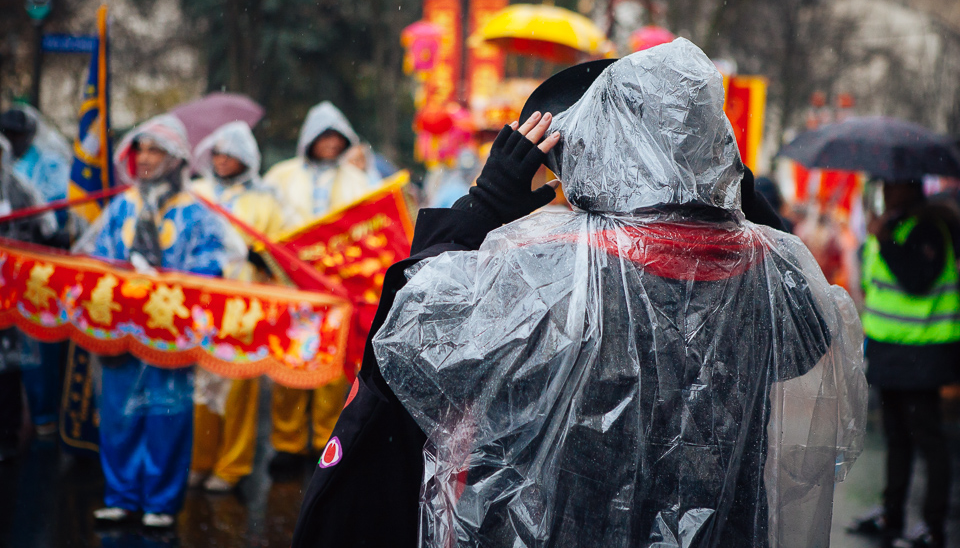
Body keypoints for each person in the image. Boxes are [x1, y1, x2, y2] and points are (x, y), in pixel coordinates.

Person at [291, 39, 867, 547]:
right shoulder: (766, 275)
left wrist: (485, 205)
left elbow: (405, 342)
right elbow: (808, 330)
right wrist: (723, 182)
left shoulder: (547, 273)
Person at [84, 114, 232, 528]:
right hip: (119, 331)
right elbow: (98, 259)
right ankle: (121, 495)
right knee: (118, 415)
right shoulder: (122, 206)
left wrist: (166, 279)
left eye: (155, 150)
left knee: (167, 416)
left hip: (170, 335)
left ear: (176, 158)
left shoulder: (197, 213)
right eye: (140, 149)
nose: (145, 158)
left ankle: (161, 503)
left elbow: (212, 267)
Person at [263, 102, 380, 472]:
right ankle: (287, 441)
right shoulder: (281, 176)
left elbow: (371, 225)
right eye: (324, 136)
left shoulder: (358, 179)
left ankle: (324, 440)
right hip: (292, 288)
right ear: (309, 138)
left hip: (337, 291)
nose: (330, 143)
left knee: (333, 367)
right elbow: (267, 223)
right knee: (291, 363)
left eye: (337, 137)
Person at [856, 179, 960, 548]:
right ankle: (891, 513)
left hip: (923, 353)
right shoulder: (894, 223)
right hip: (891, 352)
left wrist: (884, 240)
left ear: (911, 187)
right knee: (897, 437)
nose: (886, 192)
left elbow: (916, 279)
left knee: (928, 439)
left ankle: (934, 527)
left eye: (893, 186)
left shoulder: (930, 228)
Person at [188, 121, 286, 492]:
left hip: (245, 307)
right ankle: (199, 461)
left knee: (238, 387)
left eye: (231, 152)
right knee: (200, 388)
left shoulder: (266, 201)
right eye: (217, 151)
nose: (223, 159)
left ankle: (232, 466)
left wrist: (262, 259)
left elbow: (280, 252)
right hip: (199, 304)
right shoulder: (194, 192)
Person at [0, 105, 70, 437]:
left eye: (17, 134)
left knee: (33, 349)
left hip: (28, 273)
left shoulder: (43, 168)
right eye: (7, 133)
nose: (12, 141)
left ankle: (43, 419)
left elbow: (49, 220)